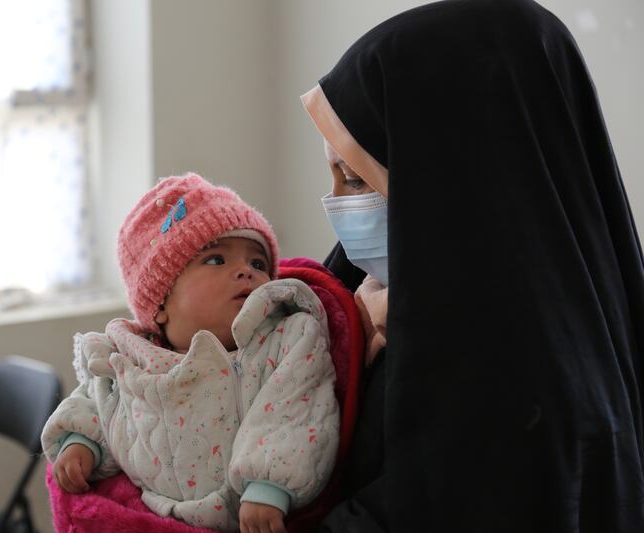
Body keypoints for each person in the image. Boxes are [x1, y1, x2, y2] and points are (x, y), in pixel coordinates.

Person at [300, 0, 644, 531]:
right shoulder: (373, 297)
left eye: (358, 178)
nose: (338, 205)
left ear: (455, 177)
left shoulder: (516, 393)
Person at [41, 173, 339, 533]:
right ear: (161, 301)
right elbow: (98, 399)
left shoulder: (283, 340)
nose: (245, 271)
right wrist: (81, 441)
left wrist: (267, 484)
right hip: (153, 511)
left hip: (246, 512)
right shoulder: (130, 355)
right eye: (216, 260)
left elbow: (294, 407)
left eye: (259, 264)